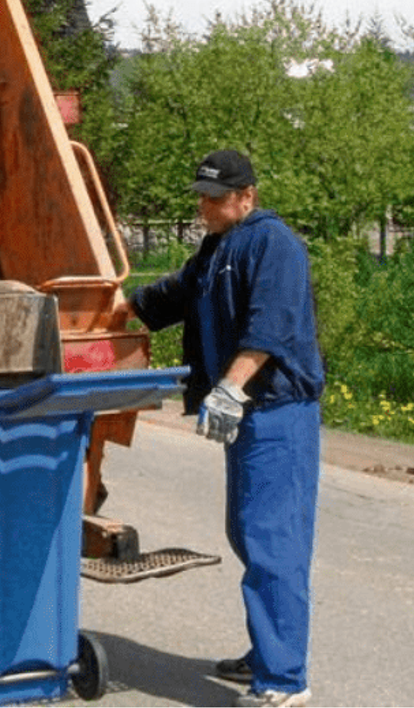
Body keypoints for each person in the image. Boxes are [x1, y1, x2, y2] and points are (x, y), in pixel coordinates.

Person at [118, 149, 323, 708]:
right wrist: (115, 309)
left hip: (277, 415)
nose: (203, 207)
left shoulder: (273, 244)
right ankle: (267, 653)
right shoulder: (218, 249)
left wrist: (231, 388)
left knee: (272, 544)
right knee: (247, 532)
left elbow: (270, 328)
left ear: (246, 196)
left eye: (214, 198)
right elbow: (169, 296)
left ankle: (284, 679)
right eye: (201, 197)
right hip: (250, 420)